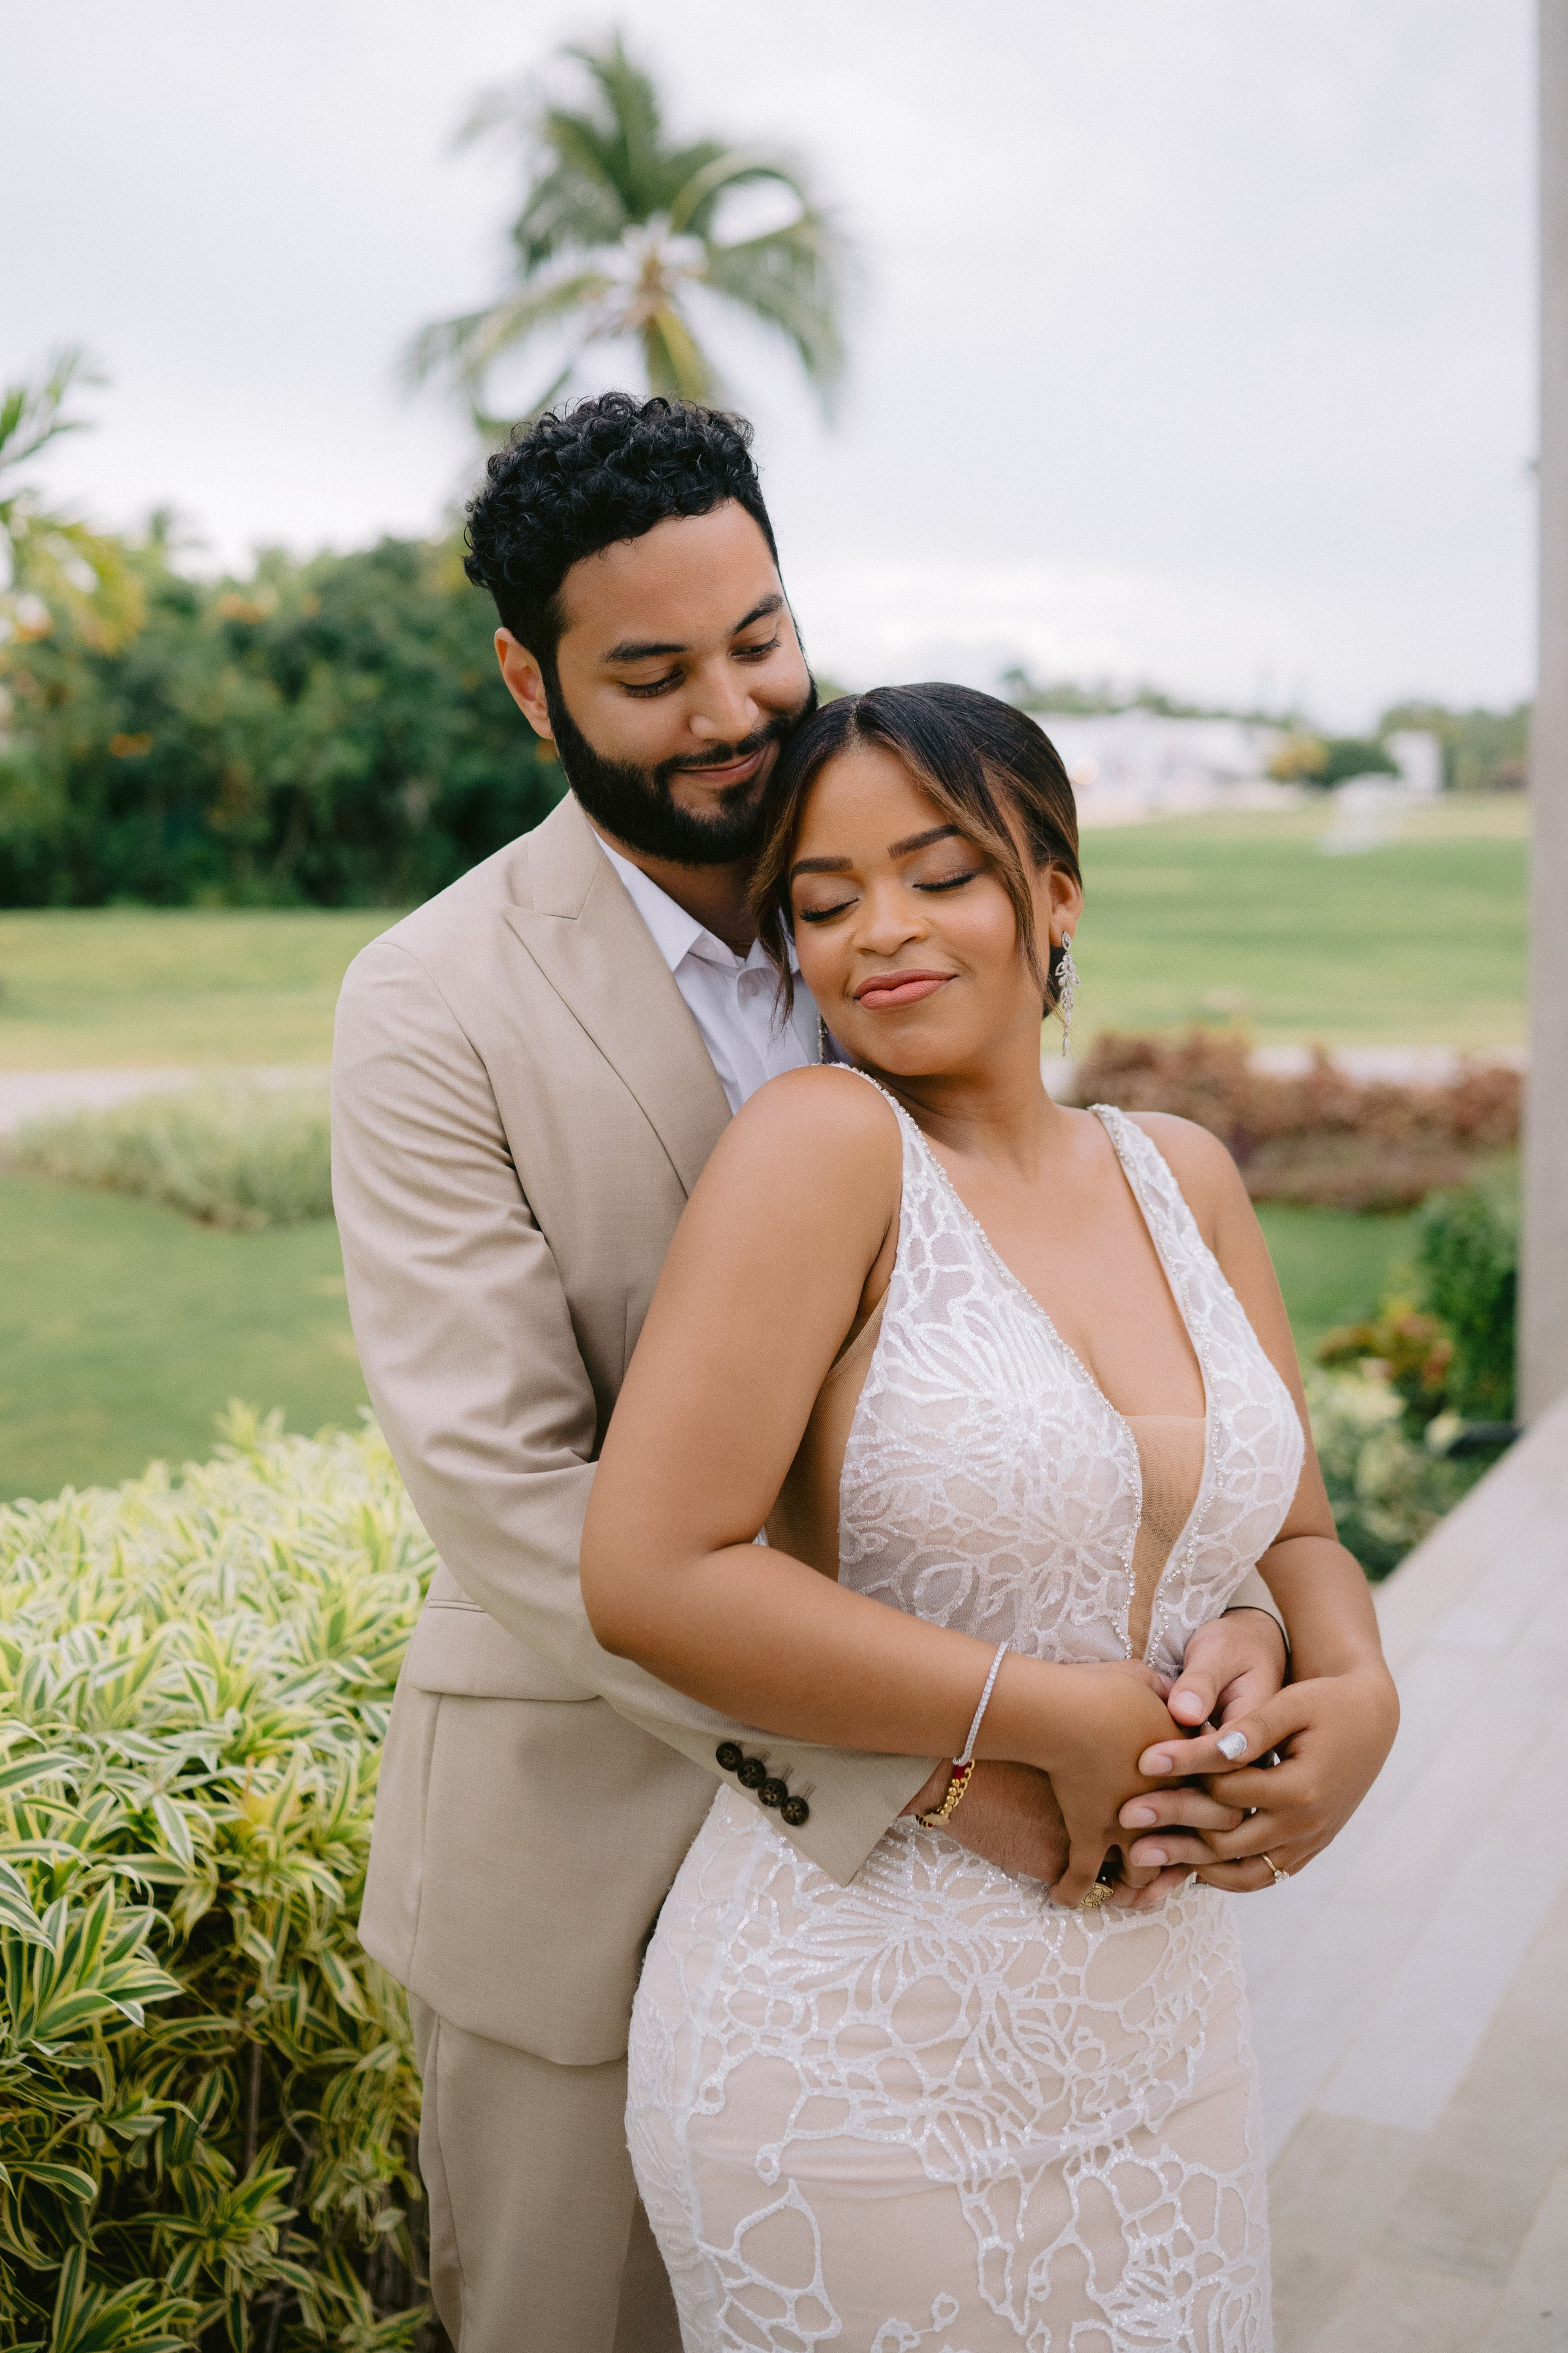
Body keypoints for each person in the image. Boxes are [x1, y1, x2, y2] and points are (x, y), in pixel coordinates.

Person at [334, 395, 1309, 2353]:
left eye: (759, 636)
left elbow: (1095, 1346)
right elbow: (520, 1492)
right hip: (593, 1854)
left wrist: (1250, 1625)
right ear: (531, 682)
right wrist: (949, 1753)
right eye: (651, 670)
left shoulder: (892, 880)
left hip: (1017, 1924)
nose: (731, 709)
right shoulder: (429, 1008)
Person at [579, 682, 1400, 2350]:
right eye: (823, 899)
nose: (881, 929)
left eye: (942, 872)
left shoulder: (1186, 1174)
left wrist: (1360, 1691)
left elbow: (1292, 1534)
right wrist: (1050, 1713)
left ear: (1058, 893)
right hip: (855, 2048)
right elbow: (649, 1573)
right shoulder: (823, 1149)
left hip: (1165, 2033)